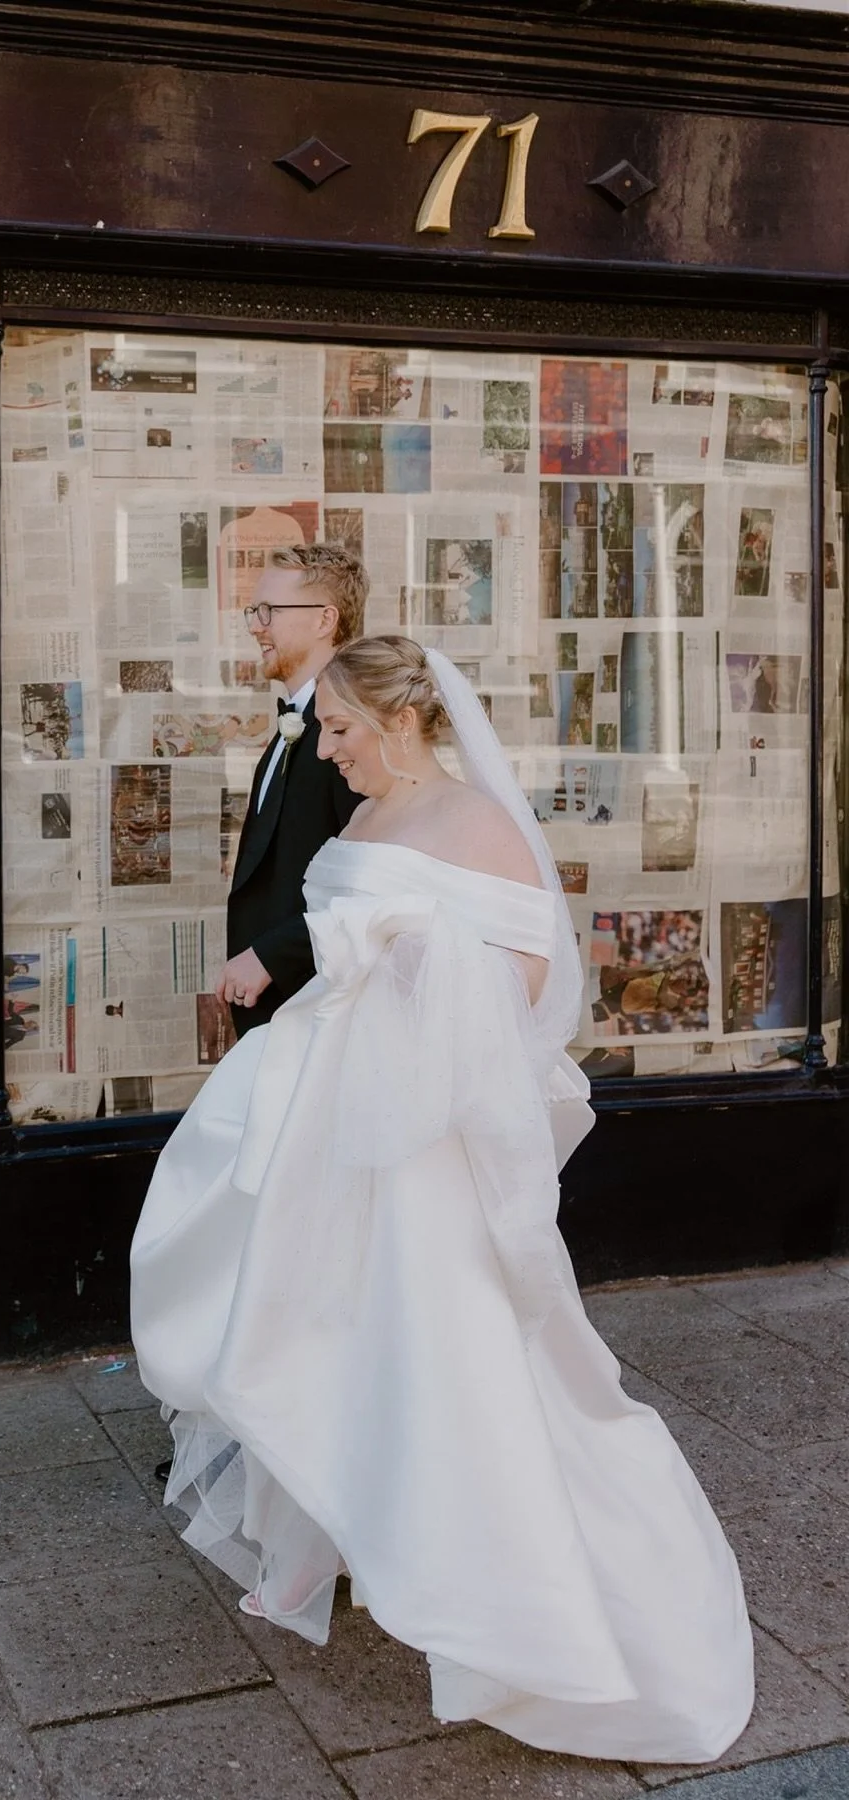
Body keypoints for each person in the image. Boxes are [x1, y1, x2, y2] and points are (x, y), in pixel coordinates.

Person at [131, 634, 753, 1765]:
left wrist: (394, 954)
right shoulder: (369, 816)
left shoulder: (475, 822)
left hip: (412, 1132)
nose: (331, 750)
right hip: (327, 1116)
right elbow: (349, 934)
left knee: (438, 1340)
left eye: (342, 730)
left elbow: (526, 979)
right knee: (318, 1320)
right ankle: (332, 1528)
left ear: (400, 721)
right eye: (323, 731)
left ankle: (511, 1594)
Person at [217, 543, 361, 1038]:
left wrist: (271, 955)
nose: (255, 625)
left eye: (268, 611)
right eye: (254, 612)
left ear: (325, 620)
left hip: (316, 1006)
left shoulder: (352, 734)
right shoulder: (293, 722)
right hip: (277, 1009)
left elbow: (372, 882)